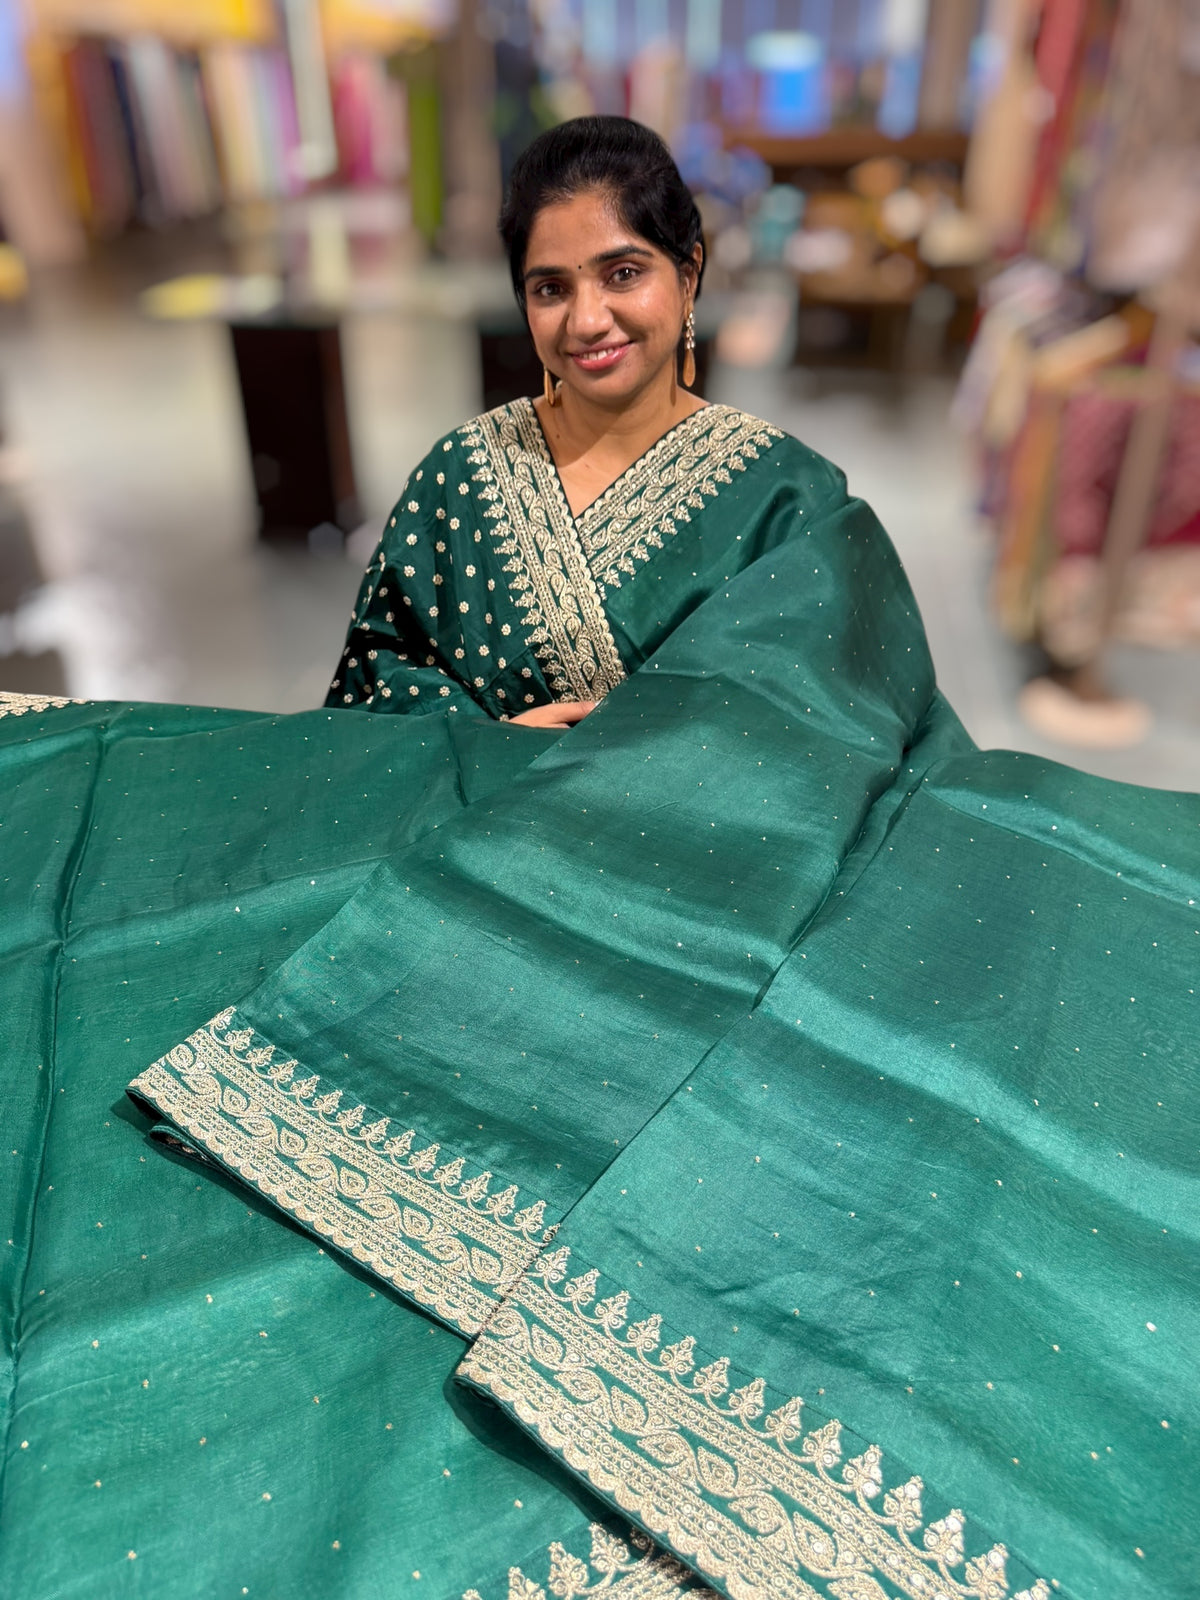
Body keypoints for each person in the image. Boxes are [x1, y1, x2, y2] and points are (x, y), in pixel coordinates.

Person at [1, 119, 1195, 1600]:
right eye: (550, 286)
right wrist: (487, 742)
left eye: (623, 271)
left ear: (690, 271)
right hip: (467, 898)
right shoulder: (461, 477)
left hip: (707, 916)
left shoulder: (787, 497)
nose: (589, 318)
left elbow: (840, 726)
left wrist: (645, 752)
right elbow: (372, 697)